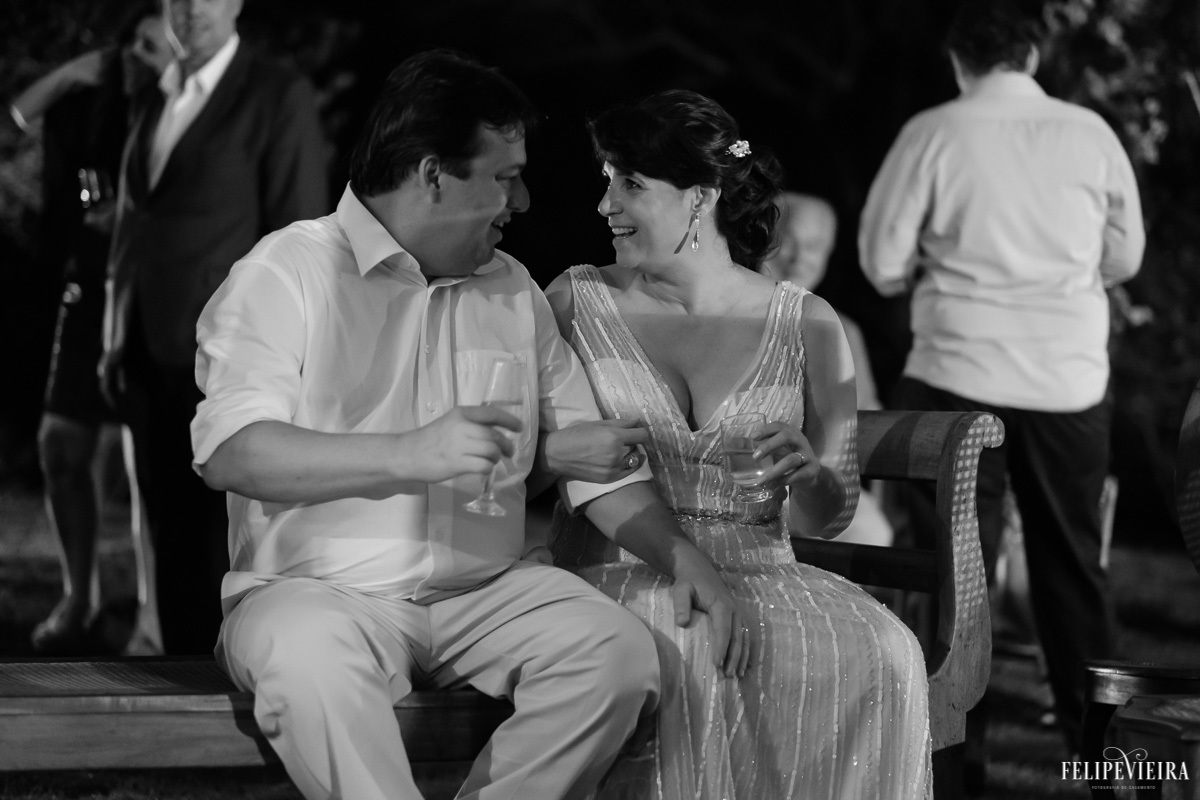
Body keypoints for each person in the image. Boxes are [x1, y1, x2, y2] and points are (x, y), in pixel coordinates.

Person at [191, 50, 747, 800]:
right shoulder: (284, 272)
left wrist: (684, 560)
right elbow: (232, 452)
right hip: (314, 593)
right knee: (306, 663)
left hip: (484, 593)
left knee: (615, 655)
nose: (522, 200)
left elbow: (600, 468)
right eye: (504, 176)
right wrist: (411, 454)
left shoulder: (510, 287)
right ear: (432, 175)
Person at [546, 90, 932, 800]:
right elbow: (537, 459)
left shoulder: (808, 323)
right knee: (691, 643)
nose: (605, 204)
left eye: (630, 183)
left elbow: (828, 518)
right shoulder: (574, 301)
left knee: (890, 651)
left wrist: (809, 476)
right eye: (606, 180)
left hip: (765, 572)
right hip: (616, 568)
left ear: (701, 196)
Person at [857, 0, 1144, 757]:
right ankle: (1102, 750)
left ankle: (951, 753)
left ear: (958, 60)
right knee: (1072, 562)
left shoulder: (933, 132)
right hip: (1065, 378)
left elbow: (881, 263)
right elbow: (1125, 257)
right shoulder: (1090, 132)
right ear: (1033, 56)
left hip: (955, 369)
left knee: (953, 569)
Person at [102, 0, 329, 654]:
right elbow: (134, 225)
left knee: (218, 545)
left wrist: (294, 357)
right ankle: (177, 686)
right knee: (167, 537)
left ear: (236, 3)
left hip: (226, 358)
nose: (192, 8)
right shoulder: (153, 94)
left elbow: (299, 235)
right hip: (144, 350)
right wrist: (113, 337)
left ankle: (228, 688)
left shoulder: (276, 94)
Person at [9, 2, 172, 655]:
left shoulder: (184, 118)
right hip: (87, 292)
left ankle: (157, 620)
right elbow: (19, 113)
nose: (139, 56)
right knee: (60, 447)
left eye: (154, 47)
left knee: (144, 463)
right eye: (133, 43)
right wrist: (80, 68)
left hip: (152, 299)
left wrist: (130, 220)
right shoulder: (94, 109)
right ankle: (81, 597)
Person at [760, 191, 893, 547]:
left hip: (817, 484)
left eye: (815, 247)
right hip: (747, 476)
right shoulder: (735, 314)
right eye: (789, 242)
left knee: (873, 533)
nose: (799, 258)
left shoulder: (843, 329)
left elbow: (868, 417)